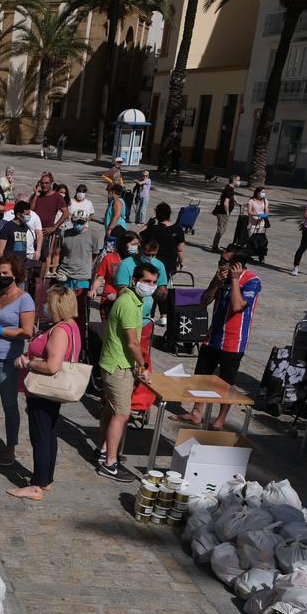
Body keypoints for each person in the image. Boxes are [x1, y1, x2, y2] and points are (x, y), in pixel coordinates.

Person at [8, 285, 82, 500]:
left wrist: (28, 363)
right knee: (48, 433)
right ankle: (46, 478)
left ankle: (36, 485)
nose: (44, 306)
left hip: (44, 390)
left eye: (48, 303)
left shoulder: (59, 330)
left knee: (40, 436)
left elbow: (52, 366)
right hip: (51, 391)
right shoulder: (69, 326)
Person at [178, 252, 261, 429]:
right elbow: (203, 301)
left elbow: (238, 306)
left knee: (226, 383)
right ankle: (196, 412)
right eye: (220, 260)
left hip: (233, 340)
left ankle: (221, 419)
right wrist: (216, 283)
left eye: (224, 262)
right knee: (202, 377)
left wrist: (235, 281)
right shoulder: (220, 277)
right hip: (212, 337)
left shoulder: (252, 281)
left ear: (237, 265)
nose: (220, 264)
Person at [96, 261, 158, 481]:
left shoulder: (131, 299)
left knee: (110, 410)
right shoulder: (130, 305)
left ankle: (103, 450)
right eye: (145, 281)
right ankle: (110, 463)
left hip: (115, 363)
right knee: (122, 414)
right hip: (119, 366)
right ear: (135, 281)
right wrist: (143, 366)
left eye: (153, 282)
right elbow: (132, 343)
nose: (150, 286)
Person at [0, 255, 36, 465]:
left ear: (15, 275)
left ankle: (10, 447)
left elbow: (27, 331)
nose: (2, 277)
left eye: (6, 273)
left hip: (9, 359)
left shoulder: (24, 299)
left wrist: (0, 330)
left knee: (9, 404)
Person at [141, 202, 186, 279]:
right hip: (170, 265)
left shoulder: (152, 229)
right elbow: (180, 250)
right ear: (169, 214)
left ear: (157, 215)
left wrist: (147, 225)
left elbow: (135, 236)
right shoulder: (178, 229)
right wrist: (181, 262)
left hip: (153, 263)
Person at [210, 175, 239, 252]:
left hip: (222, 212)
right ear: (234, 181)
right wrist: (227, 213)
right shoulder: (230, 189)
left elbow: (233, 196)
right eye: (238, 180)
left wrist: (238, 203)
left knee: (222, 229)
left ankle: (215, 246)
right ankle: (214, 247)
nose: (239, 182)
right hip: (222, 212)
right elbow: (226, 203)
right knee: (221, 230)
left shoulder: (230, 188)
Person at [246, 187, 270, 263]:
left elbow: (266, 211)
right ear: (257, 192)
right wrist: (258, 214)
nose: (263, 193)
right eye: (262, 192)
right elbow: (249, 212)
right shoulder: (251, 201)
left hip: (262, 223)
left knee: (261, 240)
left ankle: (261, 256)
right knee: (251, 239)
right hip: (253, 222)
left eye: (264, 192)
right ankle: (249, 254)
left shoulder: (265, 201)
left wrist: (265, 214)